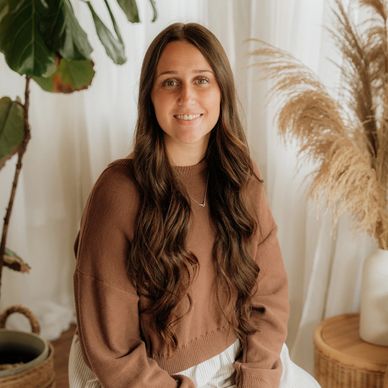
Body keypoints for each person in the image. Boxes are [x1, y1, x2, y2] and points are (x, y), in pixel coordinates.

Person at [68, 22, 319, 388]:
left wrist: (257, 377)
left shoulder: (240, 175)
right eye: (170, 82)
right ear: (149, 97)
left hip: (244, 363)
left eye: (202, 80)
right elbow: (113, 350)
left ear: (222, 91)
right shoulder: (118, 191)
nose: (187, 97)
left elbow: (269, 296)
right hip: (150, 379)